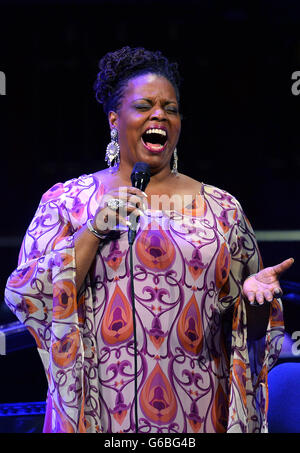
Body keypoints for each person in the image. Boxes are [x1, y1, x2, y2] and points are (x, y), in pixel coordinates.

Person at [5, 46, 294, 434]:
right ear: (114, 119)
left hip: (197, 412)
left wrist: (256, 302)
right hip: (100, 412)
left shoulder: (222, 209)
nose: (160, 114)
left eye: (170, 108)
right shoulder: (67, 202)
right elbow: (30, 295)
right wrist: (93, 230)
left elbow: (252, 334)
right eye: (144, 106)